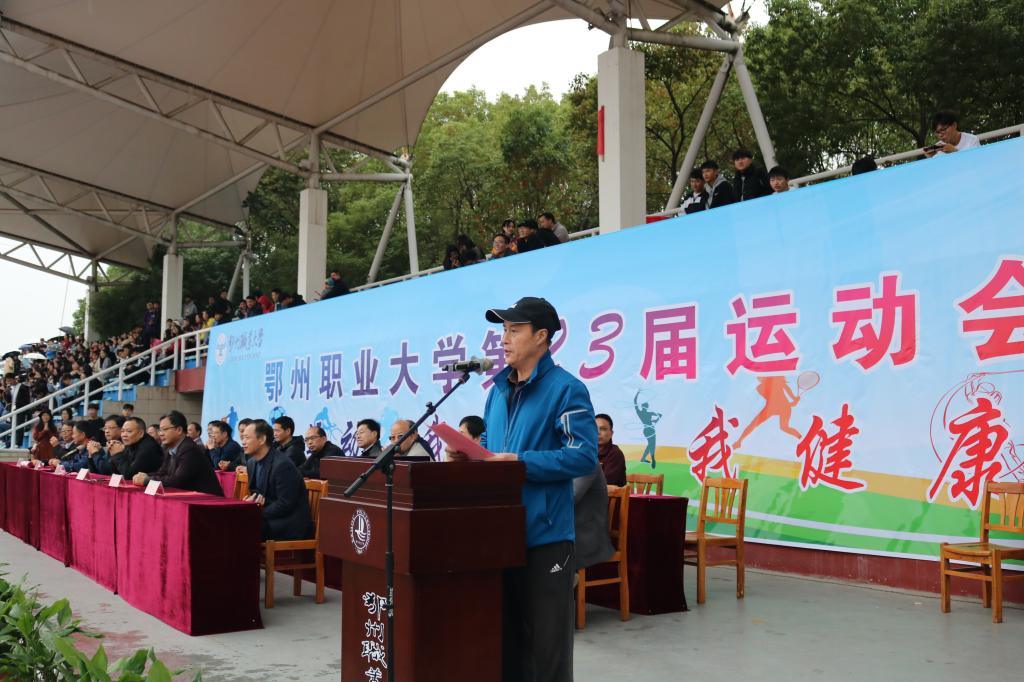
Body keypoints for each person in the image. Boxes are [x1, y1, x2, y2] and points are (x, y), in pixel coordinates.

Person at [446, 296, 597, 682]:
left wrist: (520, 462)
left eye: (514, 330)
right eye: (503, 330)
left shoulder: (567, 390)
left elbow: (583, 456)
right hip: (501, 534)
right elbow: (492, 452)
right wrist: (469, 457)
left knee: (547, 651)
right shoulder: (496, 391)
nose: (504, 339)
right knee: (506, 644)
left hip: (546, 536)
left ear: (541, 336)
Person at [243, 420, 313, 541]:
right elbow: (256, 494)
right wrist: (250, 502)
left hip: (288, 523)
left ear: (262, 439)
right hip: (268, 516)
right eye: (243, 437)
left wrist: (257, 511)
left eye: (247, 438)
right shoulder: (251, 463)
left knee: (243, 526)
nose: (243, 442)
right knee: (235, 521)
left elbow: (285, 504)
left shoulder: (282, 465)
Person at [132, 411, 222, 496]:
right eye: (160, 430)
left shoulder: (189, 449)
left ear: (179, 430)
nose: (161, 434)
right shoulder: (169, 448)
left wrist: (147, 480)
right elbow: (163, 472)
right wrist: (145, 476)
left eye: (165, 429)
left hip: (207, 500)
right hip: (187, 497)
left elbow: (177, 481)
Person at [573, 463, 614, 572]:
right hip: (572, 531)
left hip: (585, 537)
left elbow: (571, 496)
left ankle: (565, 579)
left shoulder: (587, 462)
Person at [595, 413, 626, 487]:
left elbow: (605, 482)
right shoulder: (585, 451)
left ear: (611, 433)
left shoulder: (615, 454)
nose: (598, 432)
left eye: (603, 429)